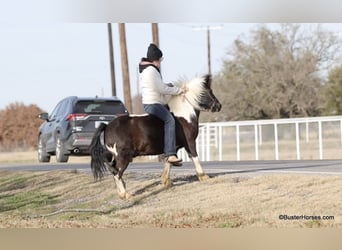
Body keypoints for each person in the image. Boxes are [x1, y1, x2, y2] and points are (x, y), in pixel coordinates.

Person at [139, 43, 185, 165]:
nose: (160, 62)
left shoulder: (149, 70)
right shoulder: (151, 71)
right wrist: (179, 90)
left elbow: (161, 87)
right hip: (153, 104)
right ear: (155, 59)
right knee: (170, 120)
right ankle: (170, 153)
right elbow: (161, 89)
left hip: (155, 102)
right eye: (160, 60)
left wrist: (169, 87)